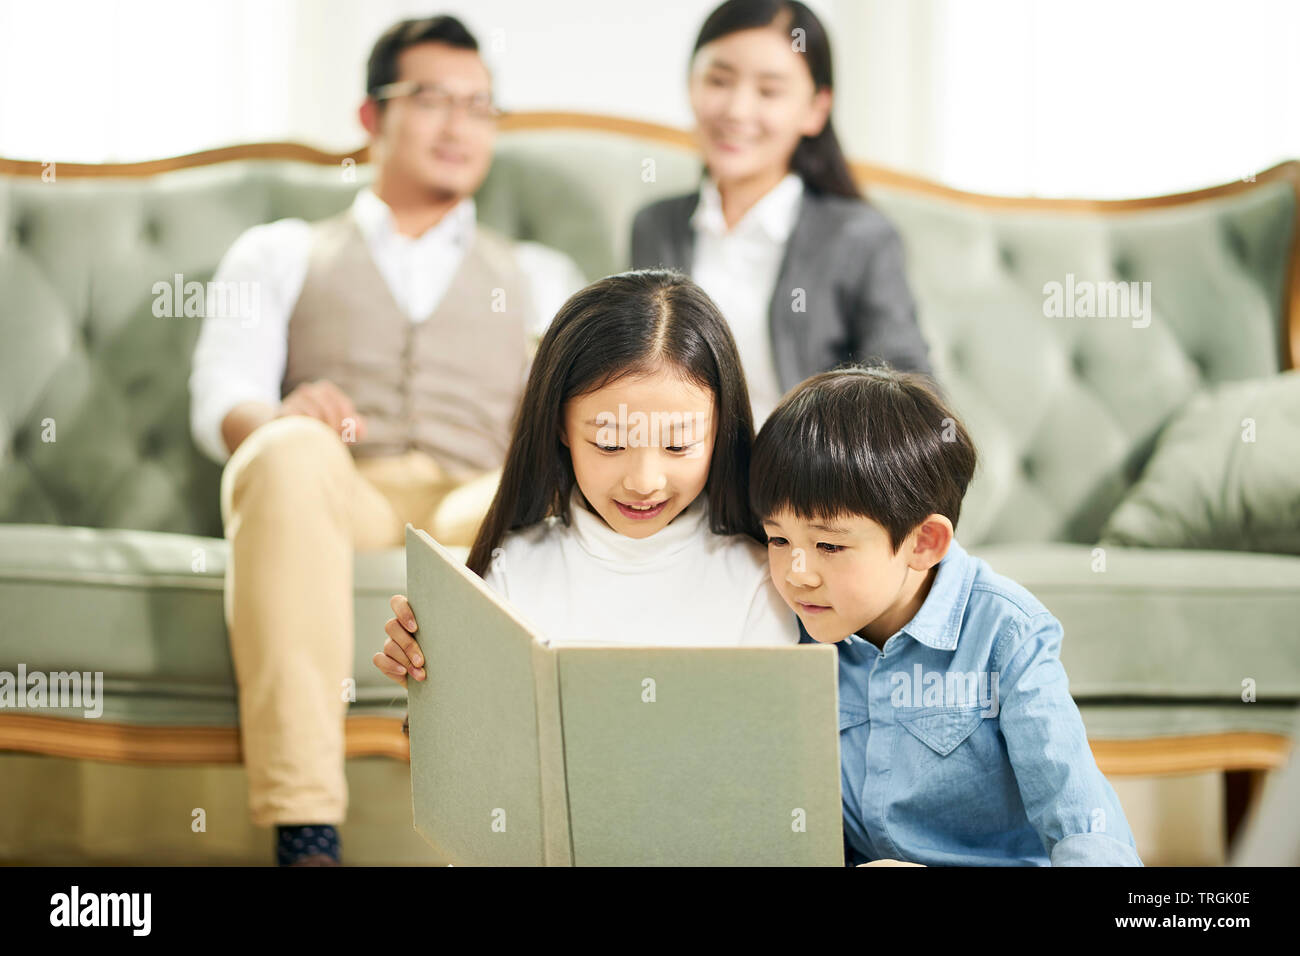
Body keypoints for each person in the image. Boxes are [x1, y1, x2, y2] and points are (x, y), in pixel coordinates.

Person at [187, 15, 583, 866]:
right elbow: (221, 397)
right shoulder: (281, 252)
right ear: (371, 118)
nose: (459, 125)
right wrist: (287, 416)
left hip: (477, 498)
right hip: (348, 497)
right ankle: (306, 829)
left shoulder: (542, 275)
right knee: (284, 448)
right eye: (433, 99)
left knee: (562, 474)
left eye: (480, 106)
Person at [750, 365, 1143, 866]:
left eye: (828, 544)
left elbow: (1084, 824)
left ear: (923, 542)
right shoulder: (787, 625)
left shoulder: (1006, 633)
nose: (797, 573)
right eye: (779, 539)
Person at [375, 270, 798, 694]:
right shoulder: (511, 571)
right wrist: (431, 677)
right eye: (610, 445)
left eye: (678, 446)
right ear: (560, 426)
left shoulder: (759, 578)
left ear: (720, 430)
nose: (644, 482)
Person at [632, 0, 932, 426]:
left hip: (803, 483)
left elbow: (911, 394)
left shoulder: (859, 237)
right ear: (691, 86)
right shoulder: (655, 226)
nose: (737, 110)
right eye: (719, 80)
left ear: (815, 110)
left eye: (769, 91)